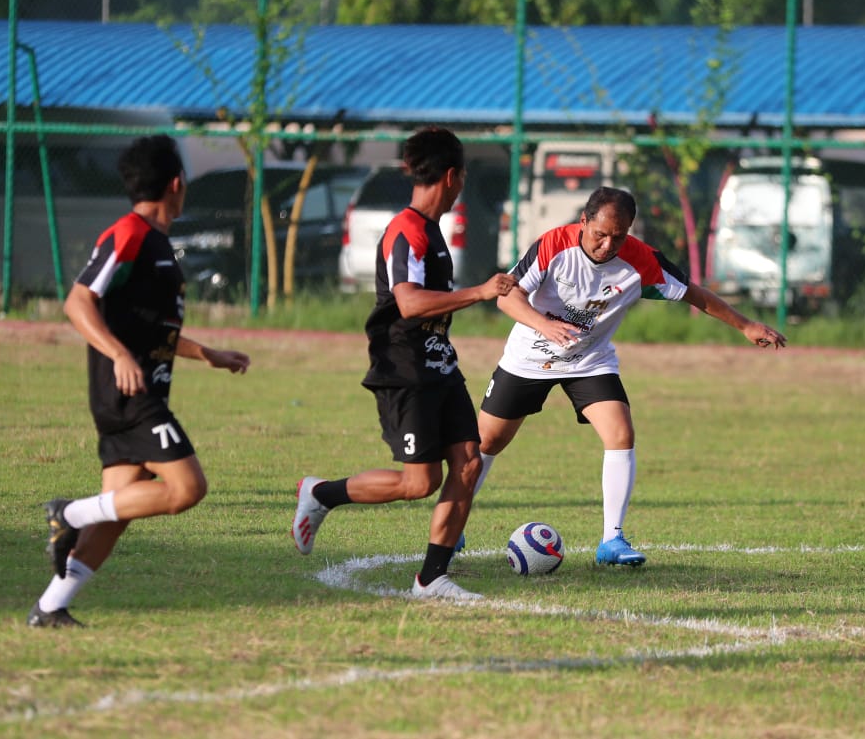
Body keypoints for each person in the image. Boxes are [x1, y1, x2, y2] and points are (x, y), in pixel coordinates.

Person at [468, 186, 787, 567]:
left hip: (589, 360)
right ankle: (452, 527)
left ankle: (612, 540)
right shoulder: (553, 245)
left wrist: (746, 325)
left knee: (620, 433)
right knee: (488, 441)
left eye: (618, 237)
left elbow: (694, 294)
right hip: (529, 358)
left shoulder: (641, 260)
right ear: (583, 222)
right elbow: (507, 296)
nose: (607, 245)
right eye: (600, 234)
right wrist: (544, 325)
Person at [31, 135, 251, 628]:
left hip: (133, 391)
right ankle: (68, 514)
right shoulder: (129, 233)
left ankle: (49, 607)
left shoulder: (154, 241)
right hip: (131, 395)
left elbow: (152, 330)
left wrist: (207, 354)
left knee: (117, 513)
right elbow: (77, 301)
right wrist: (117, 355)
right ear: (176, 183)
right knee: (187, 488)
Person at [290, 127, 518, 600]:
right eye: (463, 176)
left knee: (468, 464)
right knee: (419, 483)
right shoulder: (407, 230)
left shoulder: (432, 231)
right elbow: (409, 303)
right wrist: (479, 291)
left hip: (439, 363)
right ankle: (321, 493)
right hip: (404, 367)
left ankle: (431, 579)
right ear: (452, 176)